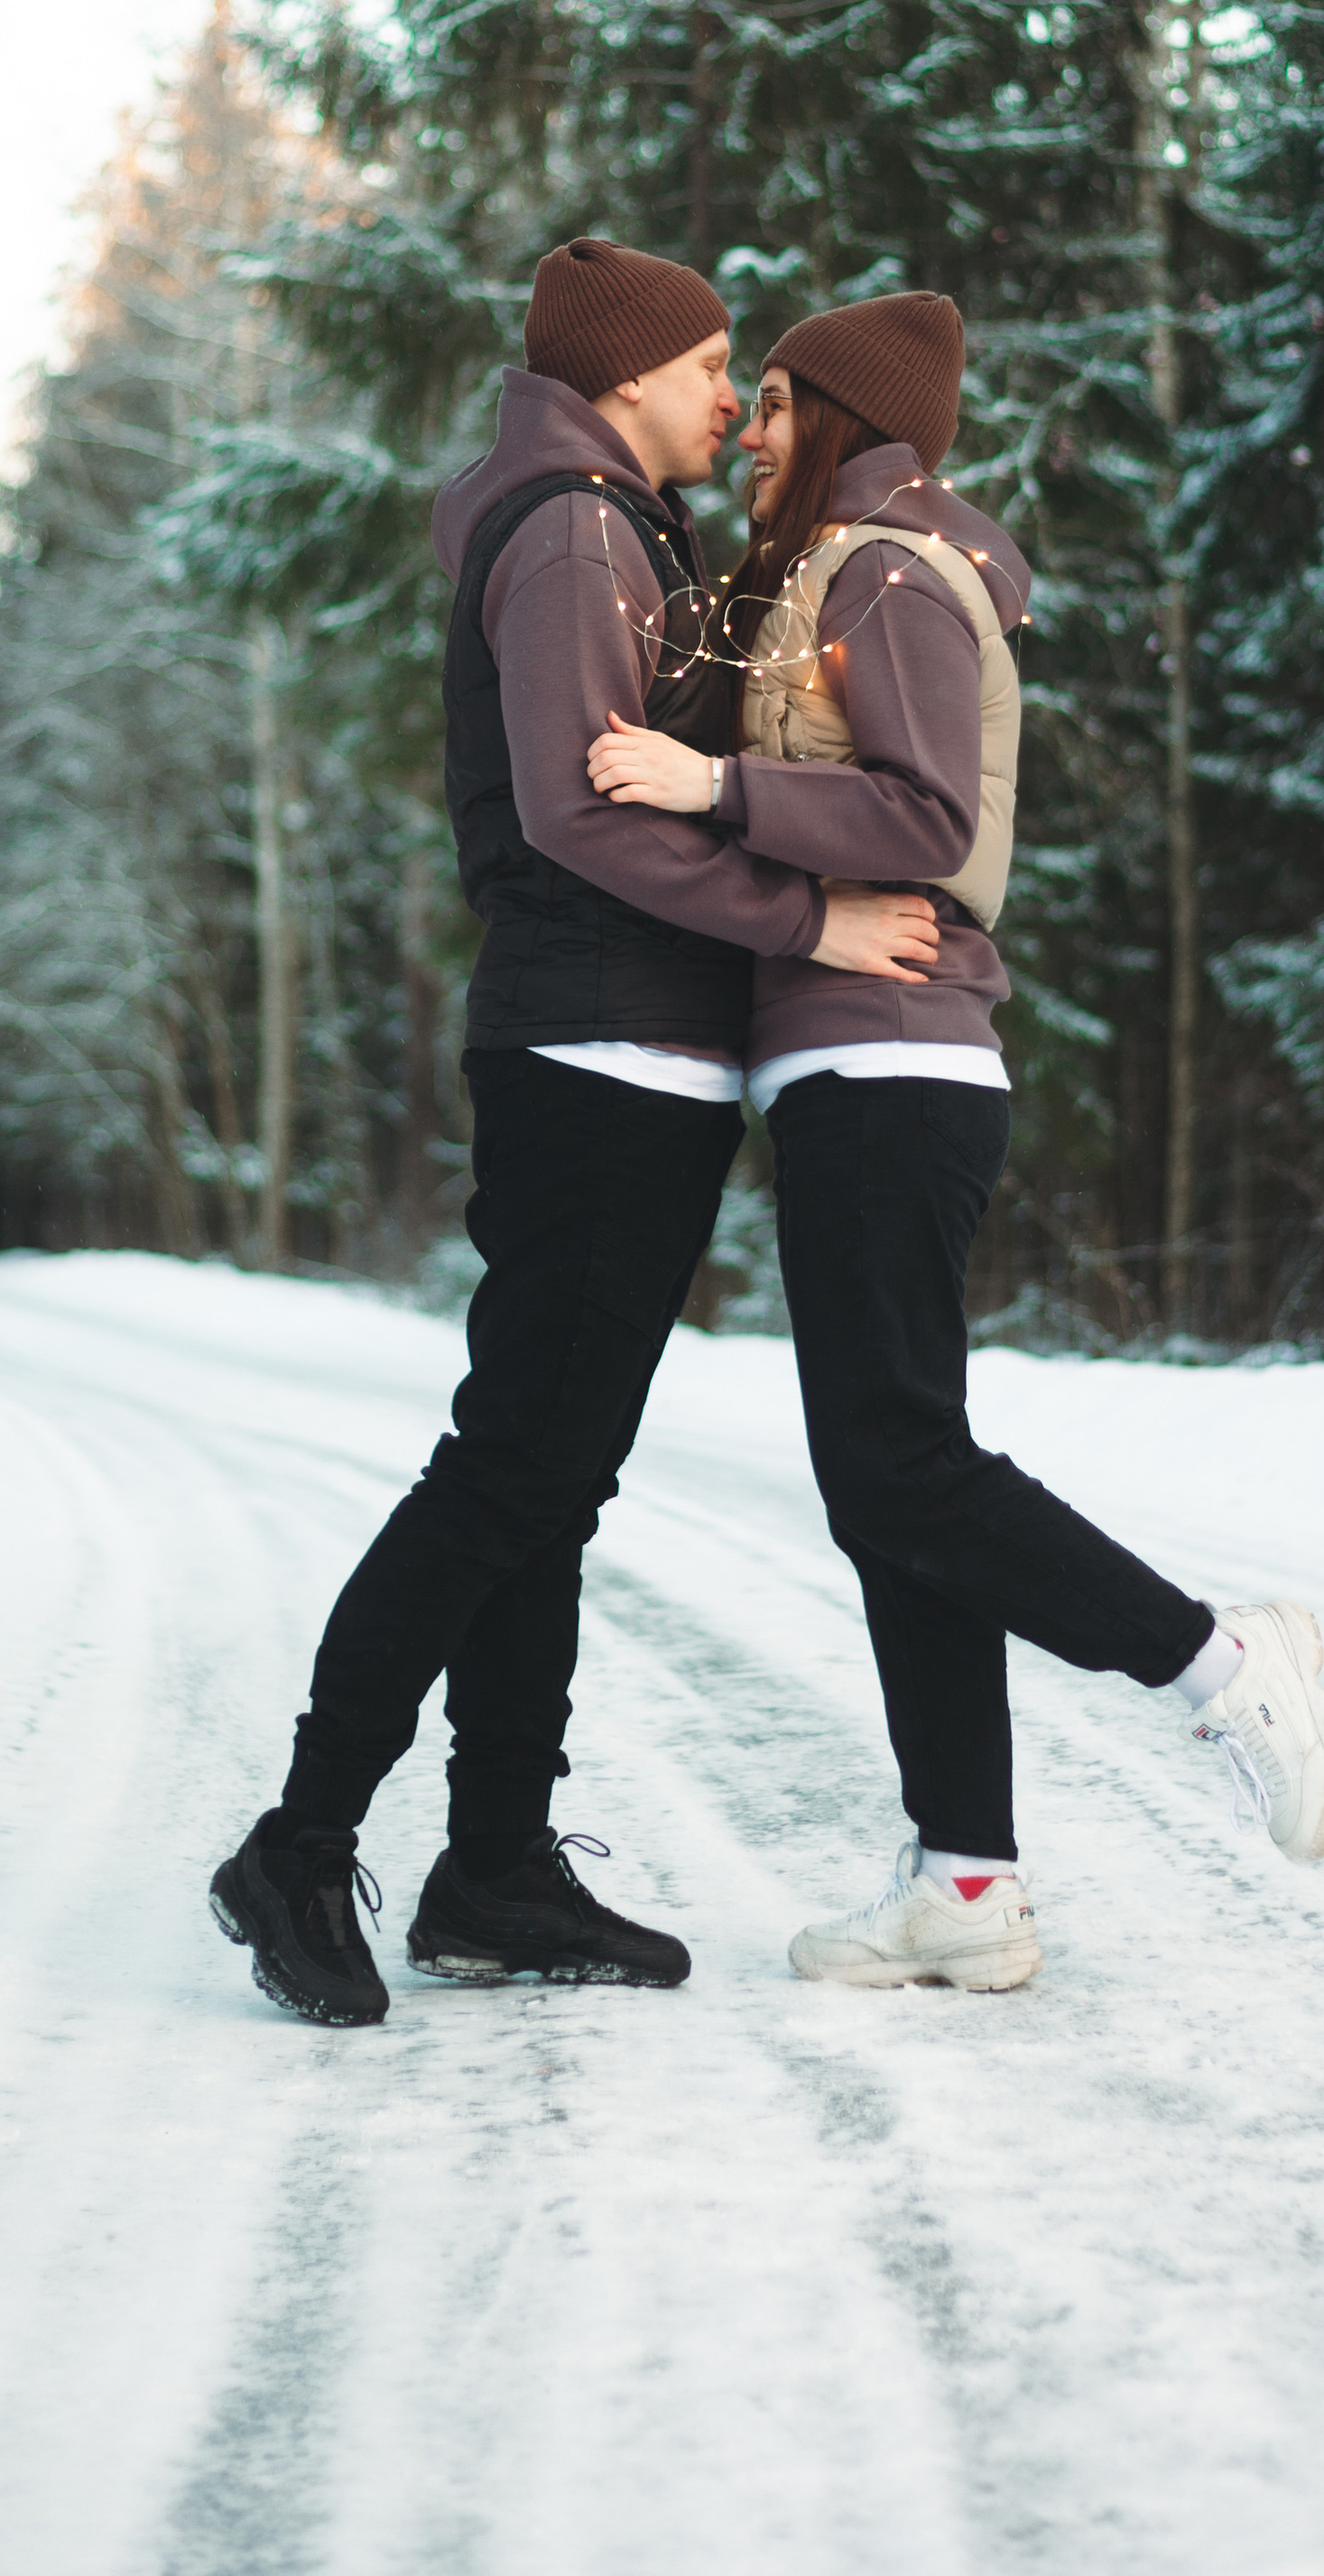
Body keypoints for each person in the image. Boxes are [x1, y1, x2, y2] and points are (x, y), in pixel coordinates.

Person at [588, 290, 1324, 1992]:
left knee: (901, 1469)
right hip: (846, 1065)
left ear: (846, 420)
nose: (755, 429)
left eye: (778, 400)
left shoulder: (885, 572)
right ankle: (967, 1881)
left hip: (894, 1058)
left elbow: (931, 817)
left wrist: (711, 790)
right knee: (892, 1484)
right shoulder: (827, 573)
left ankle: (1222, 1670)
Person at [209, 238, 938, 2026]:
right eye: (708, 366)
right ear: (623, 376)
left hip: (638, 1051)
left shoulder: (621, 528)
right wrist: (812, 921)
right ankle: (299, 1842)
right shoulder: (572, 536)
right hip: (594, 1047)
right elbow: (572, 813)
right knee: (509, 1471)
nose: (730, 400)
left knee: (547, 1476)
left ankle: (495, 1864)